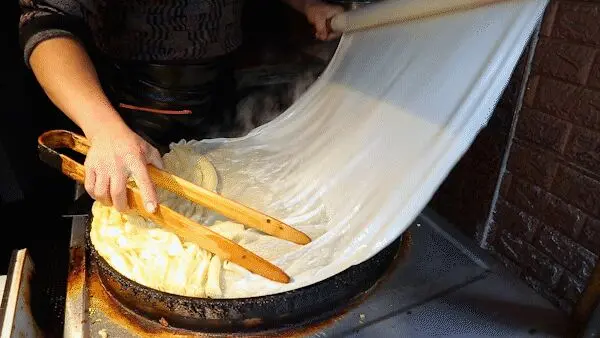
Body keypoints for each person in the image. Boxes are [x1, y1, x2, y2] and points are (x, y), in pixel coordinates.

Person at [18, 0, 343, 214]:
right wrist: (103, 129)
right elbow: (45, 20)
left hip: (220, 91)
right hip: (131, 117)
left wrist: (307, 4)